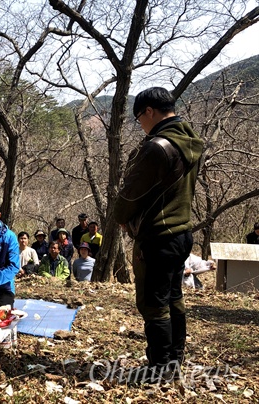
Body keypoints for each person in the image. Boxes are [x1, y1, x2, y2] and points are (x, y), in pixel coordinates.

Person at [114, 87, 203, 379]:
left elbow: (130, 195)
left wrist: (121, 217)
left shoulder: (157, 147)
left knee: (153, 304)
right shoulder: (189, 142)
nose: (140, 123)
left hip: (157, 235)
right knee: (172, 297)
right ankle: (173, 362)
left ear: (150, 111)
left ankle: (159, 369)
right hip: (181, 233)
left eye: (139, 117)